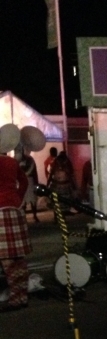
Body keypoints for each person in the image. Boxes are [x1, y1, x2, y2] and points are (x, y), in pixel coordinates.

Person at [0, 123, 32, 312]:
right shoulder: (11, 162)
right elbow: (25, 180)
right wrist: (18, 199)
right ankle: (21, 296)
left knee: (6, 259)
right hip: (14, 209)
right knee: (18, 258)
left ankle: (14, 299)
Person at [47, 150, 76, 217]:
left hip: (58, 185)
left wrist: (48, 184)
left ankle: (57, 217)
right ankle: (61, 216)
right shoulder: (66, 162)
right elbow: (70, 175)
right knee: (62, 202)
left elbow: (51, 174)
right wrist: (73, 186)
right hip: (63, 185)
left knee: (57, 202)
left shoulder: (56, 163)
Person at [18, 147, 40, 222]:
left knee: (32, 200)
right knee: (23, 200)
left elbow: (34, 172)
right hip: (23, 181)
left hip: (30, 181)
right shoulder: (19, 160)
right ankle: (25, 216)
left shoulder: (30, 160)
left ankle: (35, 215)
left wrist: (36, 182)